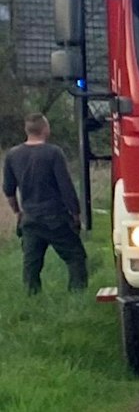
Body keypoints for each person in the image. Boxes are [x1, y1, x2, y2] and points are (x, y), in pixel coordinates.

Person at [4, 113, 88, 294]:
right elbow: (66, 186)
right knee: (75, 257)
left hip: (30, 219)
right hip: (55, 217)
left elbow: (9, 190)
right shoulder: (53, 153)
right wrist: (76, 214)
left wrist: (18, 212)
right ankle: (77, 295)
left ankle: (32, 298)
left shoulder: (13, 155)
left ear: (27, 130)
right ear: (45, 129)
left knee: (31, 265)